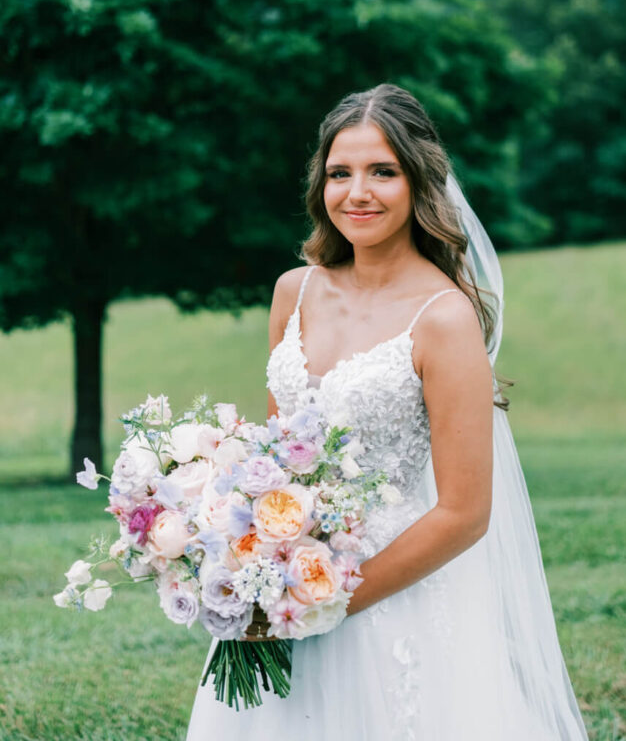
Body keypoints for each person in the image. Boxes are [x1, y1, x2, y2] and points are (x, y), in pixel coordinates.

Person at [186, 83, 589, 740]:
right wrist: (239, 556)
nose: (357, 192)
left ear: (418, 181)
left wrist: (325, 600)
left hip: (391, 597)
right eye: (340, 173)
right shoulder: (294, 291)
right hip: (279, 584)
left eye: (383, 172)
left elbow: (464, 514)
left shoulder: (443, 319)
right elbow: (275, 459)